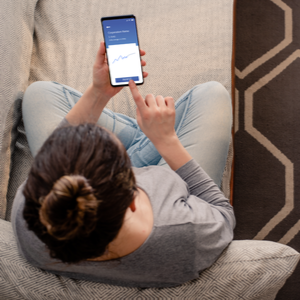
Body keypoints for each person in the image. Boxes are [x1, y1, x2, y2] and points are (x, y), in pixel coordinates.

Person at [11, 41, 235, 288]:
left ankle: (143, 134)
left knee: (39, 93)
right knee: (211, 94)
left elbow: (55, 148)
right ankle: (147, 135)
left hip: (108, 189)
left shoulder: (31, 212)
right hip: (168, 171)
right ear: (133, 193)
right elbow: (222, 213)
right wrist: (166, 141)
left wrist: (99, 93)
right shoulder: (182, 232)